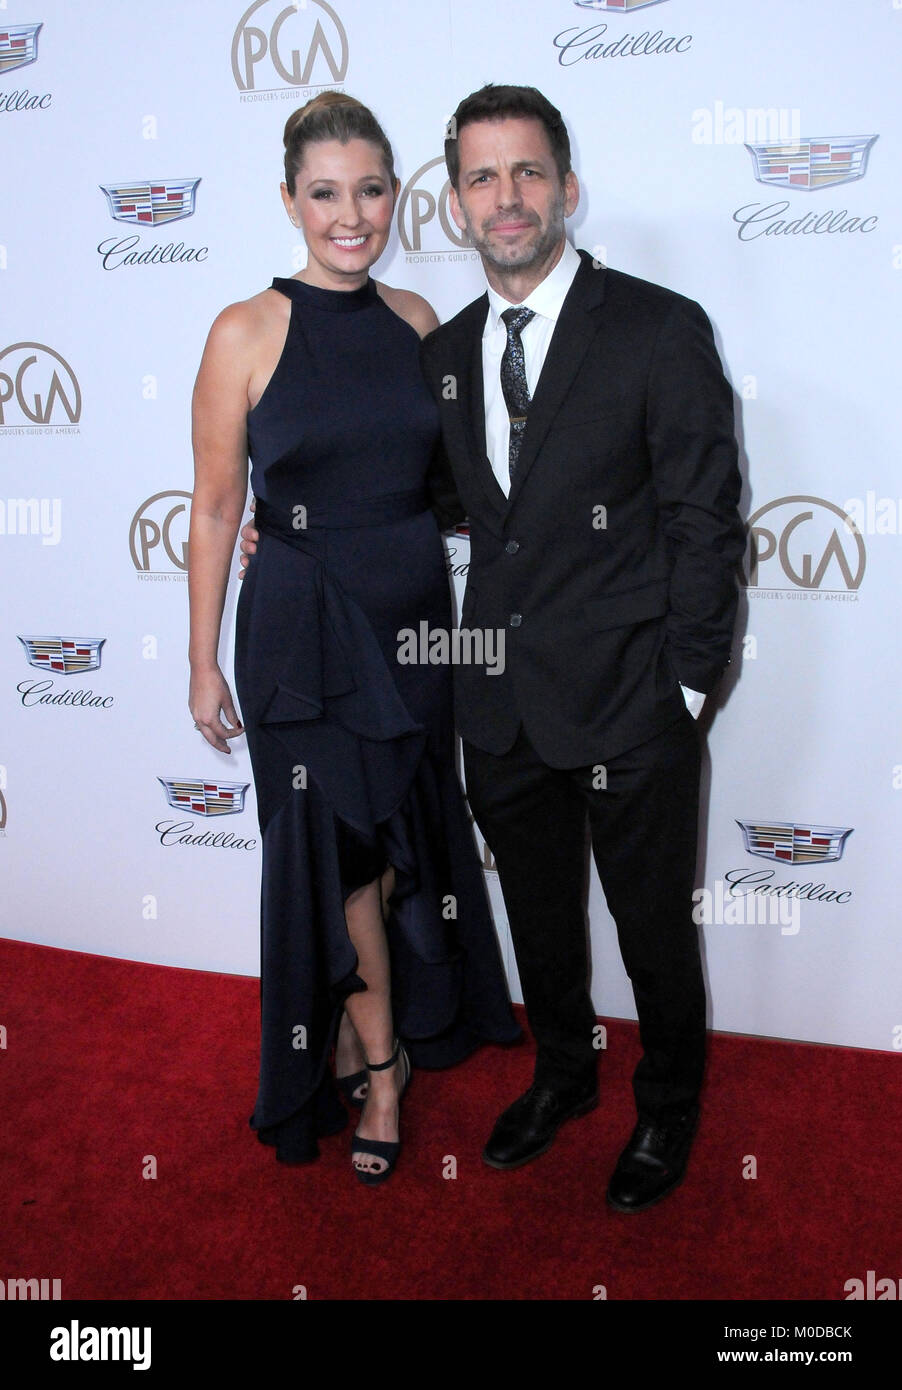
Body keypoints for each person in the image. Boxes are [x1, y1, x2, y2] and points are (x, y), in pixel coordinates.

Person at [240, 84, 745, 1212]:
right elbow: (418, 495)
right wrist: (285, 524)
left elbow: (708, 518)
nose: (504, 197)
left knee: (653, 926)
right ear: (457, 204)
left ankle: (665, 1103)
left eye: (525, 173)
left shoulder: (657, 327)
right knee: (535, 918)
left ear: (565, 189)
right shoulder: (447, 351)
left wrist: (687, 681)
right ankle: (563, 1073)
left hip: (631, 701)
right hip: (498, 703)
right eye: (480, 177)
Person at [188, 91, 519, 1186]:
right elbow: (211, 507)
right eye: (324, 192)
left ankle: (352, 1025)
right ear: (288, 200)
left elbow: (450, 487)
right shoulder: (243, 329)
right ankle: (382, 1066)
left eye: (369, 189)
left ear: (394, 196)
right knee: (329, 864)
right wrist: (198, 658)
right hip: (298, 633)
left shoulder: (418, 321)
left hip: (416, 619)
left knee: (385, 858)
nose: (350, 214)